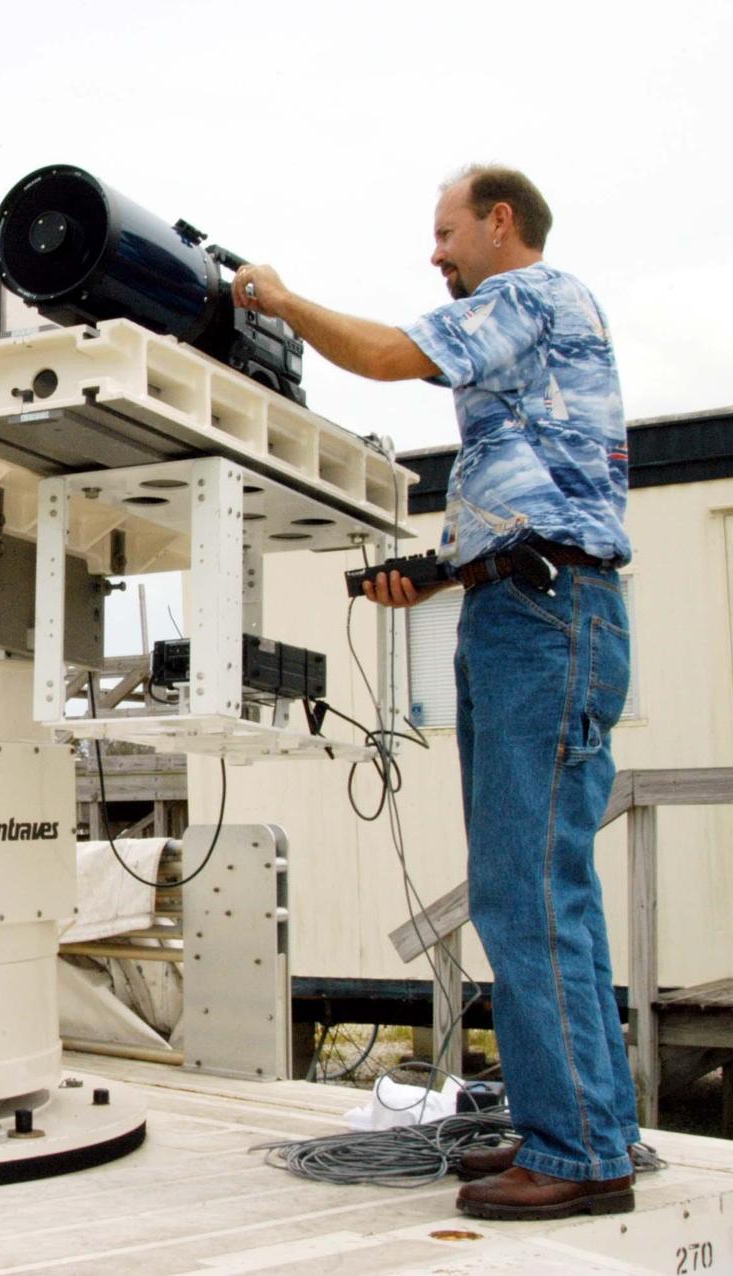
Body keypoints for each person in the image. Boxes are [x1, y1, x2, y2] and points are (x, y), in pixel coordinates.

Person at [231, 166, 638, 1221]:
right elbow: (538, 507)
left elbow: (383, 355)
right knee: (550, 886)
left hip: (543, 621)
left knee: (523, 889)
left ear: (501, 223)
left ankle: (578, 1151)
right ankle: (593, 1128)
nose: (436, 253)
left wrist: (280, 300)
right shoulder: (543, 326)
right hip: (536, 606)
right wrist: (443, 573)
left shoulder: (529, 294)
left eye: (447, 232)